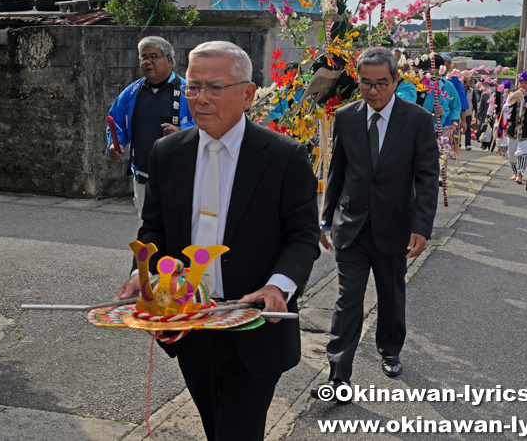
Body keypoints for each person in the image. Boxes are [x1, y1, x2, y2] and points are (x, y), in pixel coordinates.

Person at [114, 41, 320, 440]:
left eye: (214, 87)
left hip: (253, 323)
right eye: (193, 87)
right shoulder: (167, 153)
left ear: (247, 94)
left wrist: (279, 286)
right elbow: (153, 228)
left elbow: (303, 236)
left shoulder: (284, 156)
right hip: (190, 323)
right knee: (215, 426)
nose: (200, 98)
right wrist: (145, 273)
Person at [312, 47, 439, 396]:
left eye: (382, 83)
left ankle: (390, 348)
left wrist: (421, 227)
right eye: (366, 83)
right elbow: (336, 172)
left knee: (391, 294)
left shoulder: (417, 120)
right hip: (350, 224)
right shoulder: (347, 116)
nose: (373, 91)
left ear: (395, 80)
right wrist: (325, 219)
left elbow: (427, 178)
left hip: (394, 224)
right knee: (347, 299)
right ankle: (338, 374)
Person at [106, 36, 195, 216]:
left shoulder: (189, 92)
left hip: (181, 178)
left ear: (169, 60)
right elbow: (116, 122)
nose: (147, 62)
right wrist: (115, 143)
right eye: (143, 57)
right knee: (148, 229)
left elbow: (205, 124)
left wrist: (180, 133)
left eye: (153, 56)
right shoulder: (131, 93)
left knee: (179, 229)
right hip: (143, 176)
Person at [505, 72, 527, 184]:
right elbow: (505, 109)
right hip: (513, 127)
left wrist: (526, 97)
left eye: (525, 83)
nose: (523, 85)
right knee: (511, 153)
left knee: (523, 152)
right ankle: (514, 172)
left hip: (526, 128)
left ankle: (520, 174)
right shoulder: (513, 93)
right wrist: (511, 100)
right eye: (521, 82)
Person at [464, 75, 478, 150]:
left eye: (466, 81)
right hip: (459, 112)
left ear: (469, 82)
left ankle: (468, 144)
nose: (464, 83)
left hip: (468, 112)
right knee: (458, 127)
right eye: (463, 81)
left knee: (468, 128)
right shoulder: (459, 90)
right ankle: (457, 142)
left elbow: (474, 102)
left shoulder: (472, 91)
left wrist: (476, 111)